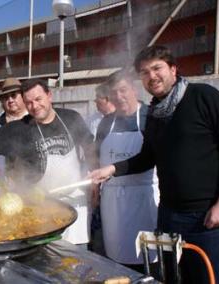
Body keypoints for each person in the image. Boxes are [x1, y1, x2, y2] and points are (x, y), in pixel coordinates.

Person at [89, 46, 219, 283]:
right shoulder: (156, 112)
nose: (152, 76)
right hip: (168, 217)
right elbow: (147, 158)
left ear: (173, 69)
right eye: (145, 72)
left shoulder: (203, 96)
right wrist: (112, 169)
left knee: (212, 279)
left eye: (157, 68)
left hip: (207, 216)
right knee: (176, 279)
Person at [0, 79, 97, 246]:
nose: (34, 106)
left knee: (78, 258)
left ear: (49, 95)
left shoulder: (71, 118)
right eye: (29, 103)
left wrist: (95, 184)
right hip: (43, 206)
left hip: (76, 201)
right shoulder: (20, 128)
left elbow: (90, 148)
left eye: (38, 99)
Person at [94, 70, 159, 273]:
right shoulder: (106, 122)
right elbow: (95, 155)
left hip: (144, 199)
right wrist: (94, 185)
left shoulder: (151, 116)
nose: (119, 97)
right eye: (113, 93)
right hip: (112, 200)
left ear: (134, 89)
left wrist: (112, 169)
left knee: (148, 257)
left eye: (123, 90)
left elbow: (151, 158)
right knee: (117, 259)